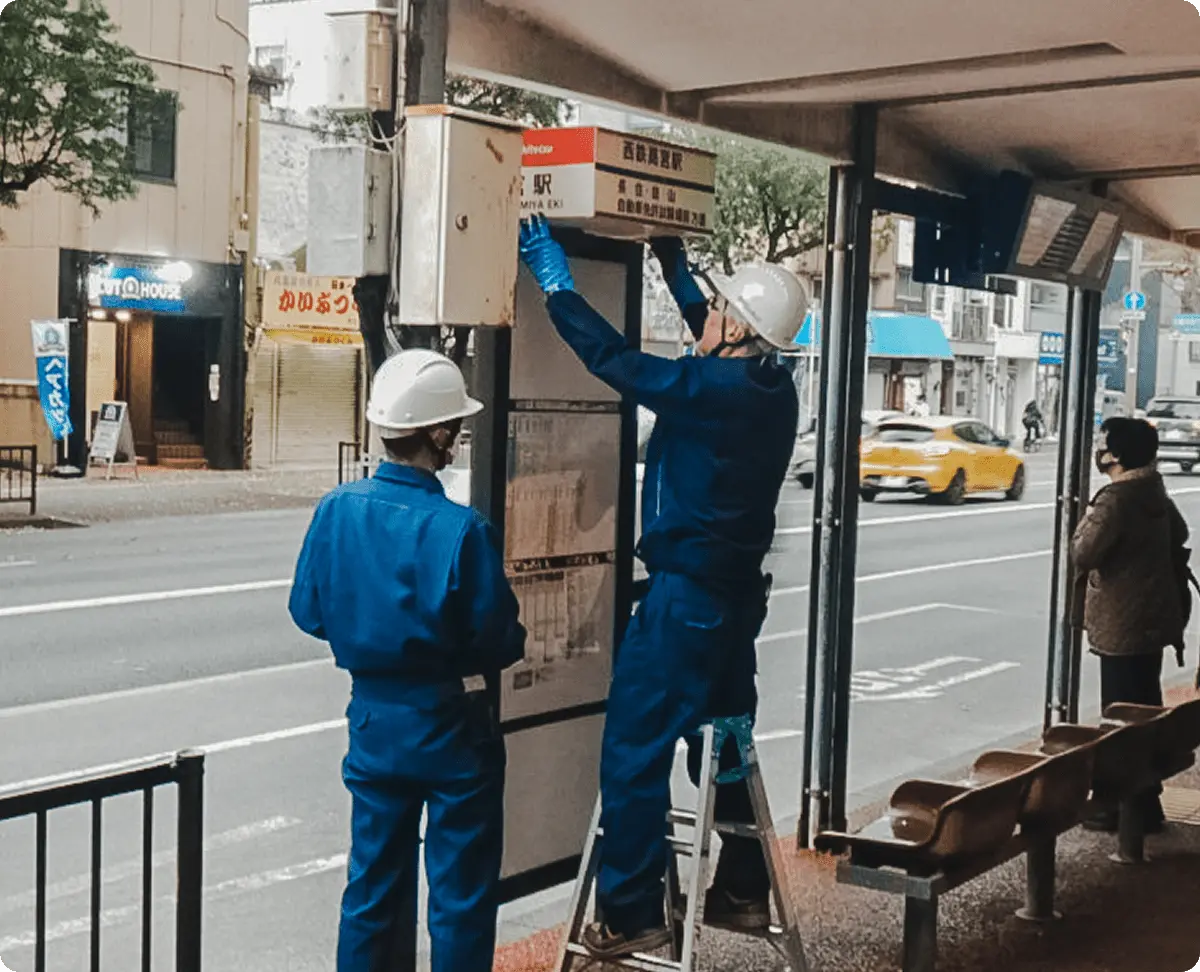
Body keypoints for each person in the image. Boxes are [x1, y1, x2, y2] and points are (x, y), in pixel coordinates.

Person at [518, 214, 805, 959]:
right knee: (725, 741)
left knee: (633, 751)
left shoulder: (712, 390)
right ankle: (741, 889)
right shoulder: (771, 388)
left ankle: (634, 911)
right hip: (733, 606)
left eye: (718, 312)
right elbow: (708, 332)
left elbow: (617, 360)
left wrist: (557, 290)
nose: (702, 321)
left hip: (686, 606)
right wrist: (673, 262)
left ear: (738, 332)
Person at [288, 349, 526, 972]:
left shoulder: (336, 509)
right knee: (460, 896)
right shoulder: (462, 530)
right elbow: (501, 640)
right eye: (457, 428)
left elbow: (308, 612)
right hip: (453, 726)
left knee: (371, 887)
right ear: (439, 435)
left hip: (373, 723)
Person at [1072, 416, 1189, 833]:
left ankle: (1121, 807)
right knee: (1144, 705)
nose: (1098, 450)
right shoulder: (1153, 489)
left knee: (1120, 717)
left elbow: (1084, 553)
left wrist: (1082, 518)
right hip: (1153, 618)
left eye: (1103, 444)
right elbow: (1180, 531)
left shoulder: (1116, 498)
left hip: (1121, 623)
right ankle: (1147, 803)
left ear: (1117, 454)